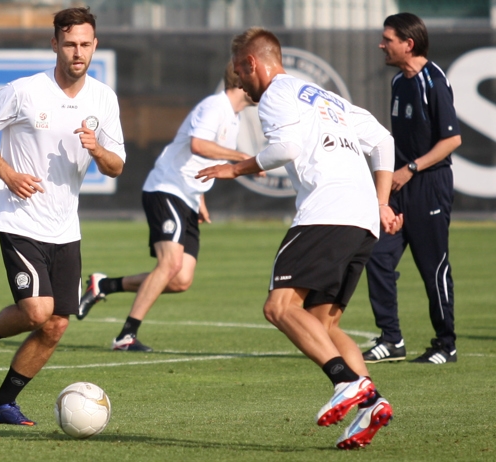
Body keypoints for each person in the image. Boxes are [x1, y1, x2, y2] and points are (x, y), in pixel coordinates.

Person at [196, 27, 403, 450]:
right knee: (324, 324)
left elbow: (285, 148)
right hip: (362, 217)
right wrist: (381, 203)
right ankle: (371, 404)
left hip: (326, 212)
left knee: (279, 306)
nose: (239, 83)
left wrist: (235, 168)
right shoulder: (325, 96)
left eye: (239, 72)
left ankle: (345, 383)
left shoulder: (275, 93)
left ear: (252, 63)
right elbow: (383, 140)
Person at [0, 7, 126, 425]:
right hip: (19, 218)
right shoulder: (25, 91)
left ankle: (1, 405)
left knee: (54, 326)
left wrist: (98, 149)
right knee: (36, 311)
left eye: (85, 44)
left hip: (65, 226)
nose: (78, 52)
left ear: (95, 46)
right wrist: (9, 175)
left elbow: (116, 165)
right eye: (70, 44)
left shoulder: (103, 98)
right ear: (55, 44)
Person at [76, 62, 255, 352]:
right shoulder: (215, 106)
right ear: (243, 81)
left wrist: (201, 198)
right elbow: (197, 144)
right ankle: (126, 336)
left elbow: (201, 160)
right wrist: (242, 157)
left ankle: (103, 285)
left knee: (181, 279)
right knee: (169, 264)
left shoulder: (233, 118)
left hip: (188, 196)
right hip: (166, 189)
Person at [362, 13, 462, 365]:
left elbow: (452, 139)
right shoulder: (397, 82)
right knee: (377, 255)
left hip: (429, 186)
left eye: (388, 39)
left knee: (432, 265)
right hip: (399, 185)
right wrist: (391, 177)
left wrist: (412, 168)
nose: (382, 45)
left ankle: (445, 344)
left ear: (409, 43)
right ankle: (392, 339)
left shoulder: (432, 81)